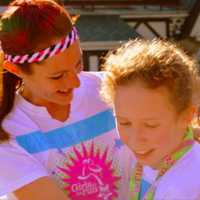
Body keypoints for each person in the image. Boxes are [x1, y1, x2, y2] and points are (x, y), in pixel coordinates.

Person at [0, 0, 133, 199]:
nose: (75, 82)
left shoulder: (114, 89)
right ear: (15, 69)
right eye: (57, 76)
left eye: (78, 64)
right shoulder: (7, 133)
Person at [101, 39, 200, 199]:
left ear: (187, 115)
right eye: (124, 122)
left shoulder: (186, 186)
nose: (135, 139)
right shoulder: (158, 155)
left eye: (150, 125)